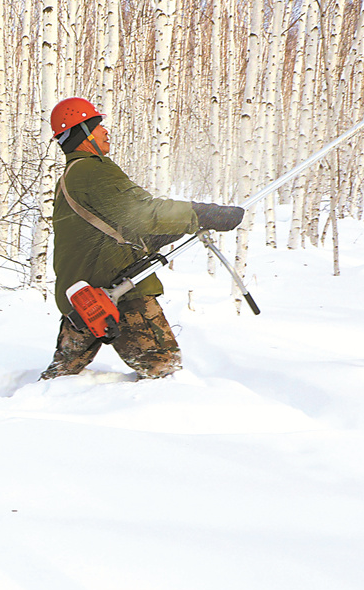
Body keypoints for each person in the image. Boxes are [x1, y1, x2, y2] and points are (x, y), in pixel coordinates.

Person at [39, 96, 244, 381]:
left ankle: (26, 414)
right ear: (83, 133)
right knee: (163, 371)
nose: (105, 131)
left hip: (81, 296)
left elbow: (111, 227)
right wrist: (202, 214)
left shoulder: (71, 176)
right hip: (118, 293)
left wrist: (159, 237)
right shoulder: (91, 170)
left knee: (61, 377)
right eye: (98, 125)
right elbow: (142, 213)